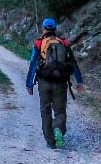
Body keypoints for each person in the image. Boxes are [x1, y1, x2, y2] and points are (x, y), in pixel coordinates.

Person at [25, 18, 84, 149]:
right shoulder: (64, 42)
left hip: (44, 81)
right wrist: (79, 81)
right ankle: (58, 128)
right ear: (55, 28)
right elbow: (73, 62)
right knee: (60, 111)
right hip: (60, 82)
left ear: (43, 28)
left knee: (45, 110)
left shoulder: (39, 43)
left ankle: (51, 141)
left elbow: (33, 64)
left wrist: (29, 84)